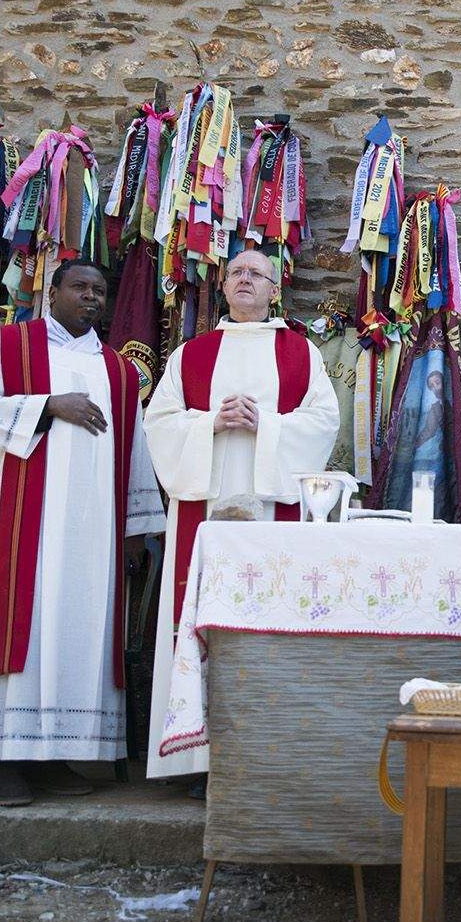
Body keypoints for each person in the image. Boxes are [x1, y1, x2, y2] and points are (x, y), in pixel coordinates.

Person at [0, 260, 165, 807]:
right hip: (22, 524)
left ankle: (50, 757)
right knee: (19, 624)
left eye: (99, 291)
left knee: (75, 627)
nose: (90, 297)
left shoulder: (118, 369)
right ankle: (0, 760)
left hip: (93, 528)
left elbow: (135, 447)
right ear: (54, 292)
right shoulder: (11, 344)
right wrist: (47, 406)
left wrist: (137, 528)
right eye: (80, 287)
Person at [143, 249, 340, 786]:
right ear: (223, 287)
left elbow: (324, 422)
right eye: (236, 273)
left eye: (257, 273)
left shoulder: (300, 352)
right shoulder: (192, 353)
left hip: (270, 509)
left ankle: (261, 757)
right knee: (196, 616)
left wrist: (267, 426)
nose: (245, 280)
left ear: (275, 289)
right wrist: (209, 422)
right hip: (200, 509)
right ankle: (189, 757)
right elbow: (158, 422)